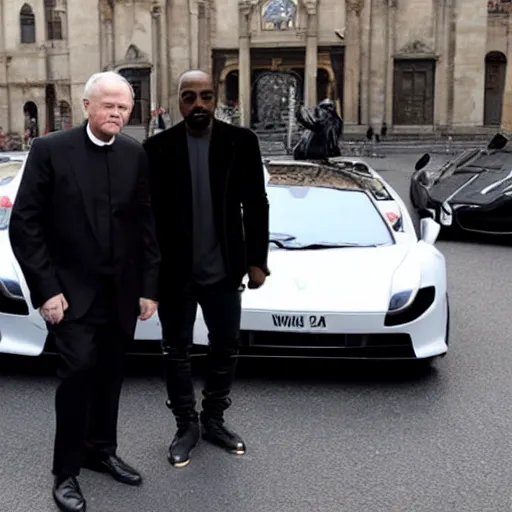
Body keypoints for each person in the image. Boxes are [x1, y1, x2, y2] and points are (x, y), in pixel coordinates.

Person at [9, 71, 161, 512]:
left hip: (121, 293)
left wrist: (150, 287)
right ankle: (66, 472)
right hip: (70, 294)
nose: (116, 113)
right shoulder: (51, 150)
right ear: (87, 106)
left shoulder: (135, 154)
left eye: (124, 107)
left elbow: (146, 225)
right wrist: (46, 290)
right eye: (108, 105)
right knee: (78, 375)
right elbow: (25, 225)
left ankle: (100, 450)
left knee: (112, 375)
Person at [143, 69, 270, 468]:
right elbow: (145, 217)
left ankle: (214, 419)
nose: (198, 104)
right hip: (175, 273)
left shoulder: (241, 143)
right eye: (189, 97)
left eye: (206, 96)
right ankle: (186, 425)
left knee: (225, 346)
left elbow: (257, 203)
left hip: (225, 269)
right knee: (175, 350)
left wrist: (257, 260)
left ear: (216, 100)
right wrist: (148, 275)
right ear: (178, 101)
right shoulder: (157, 148)